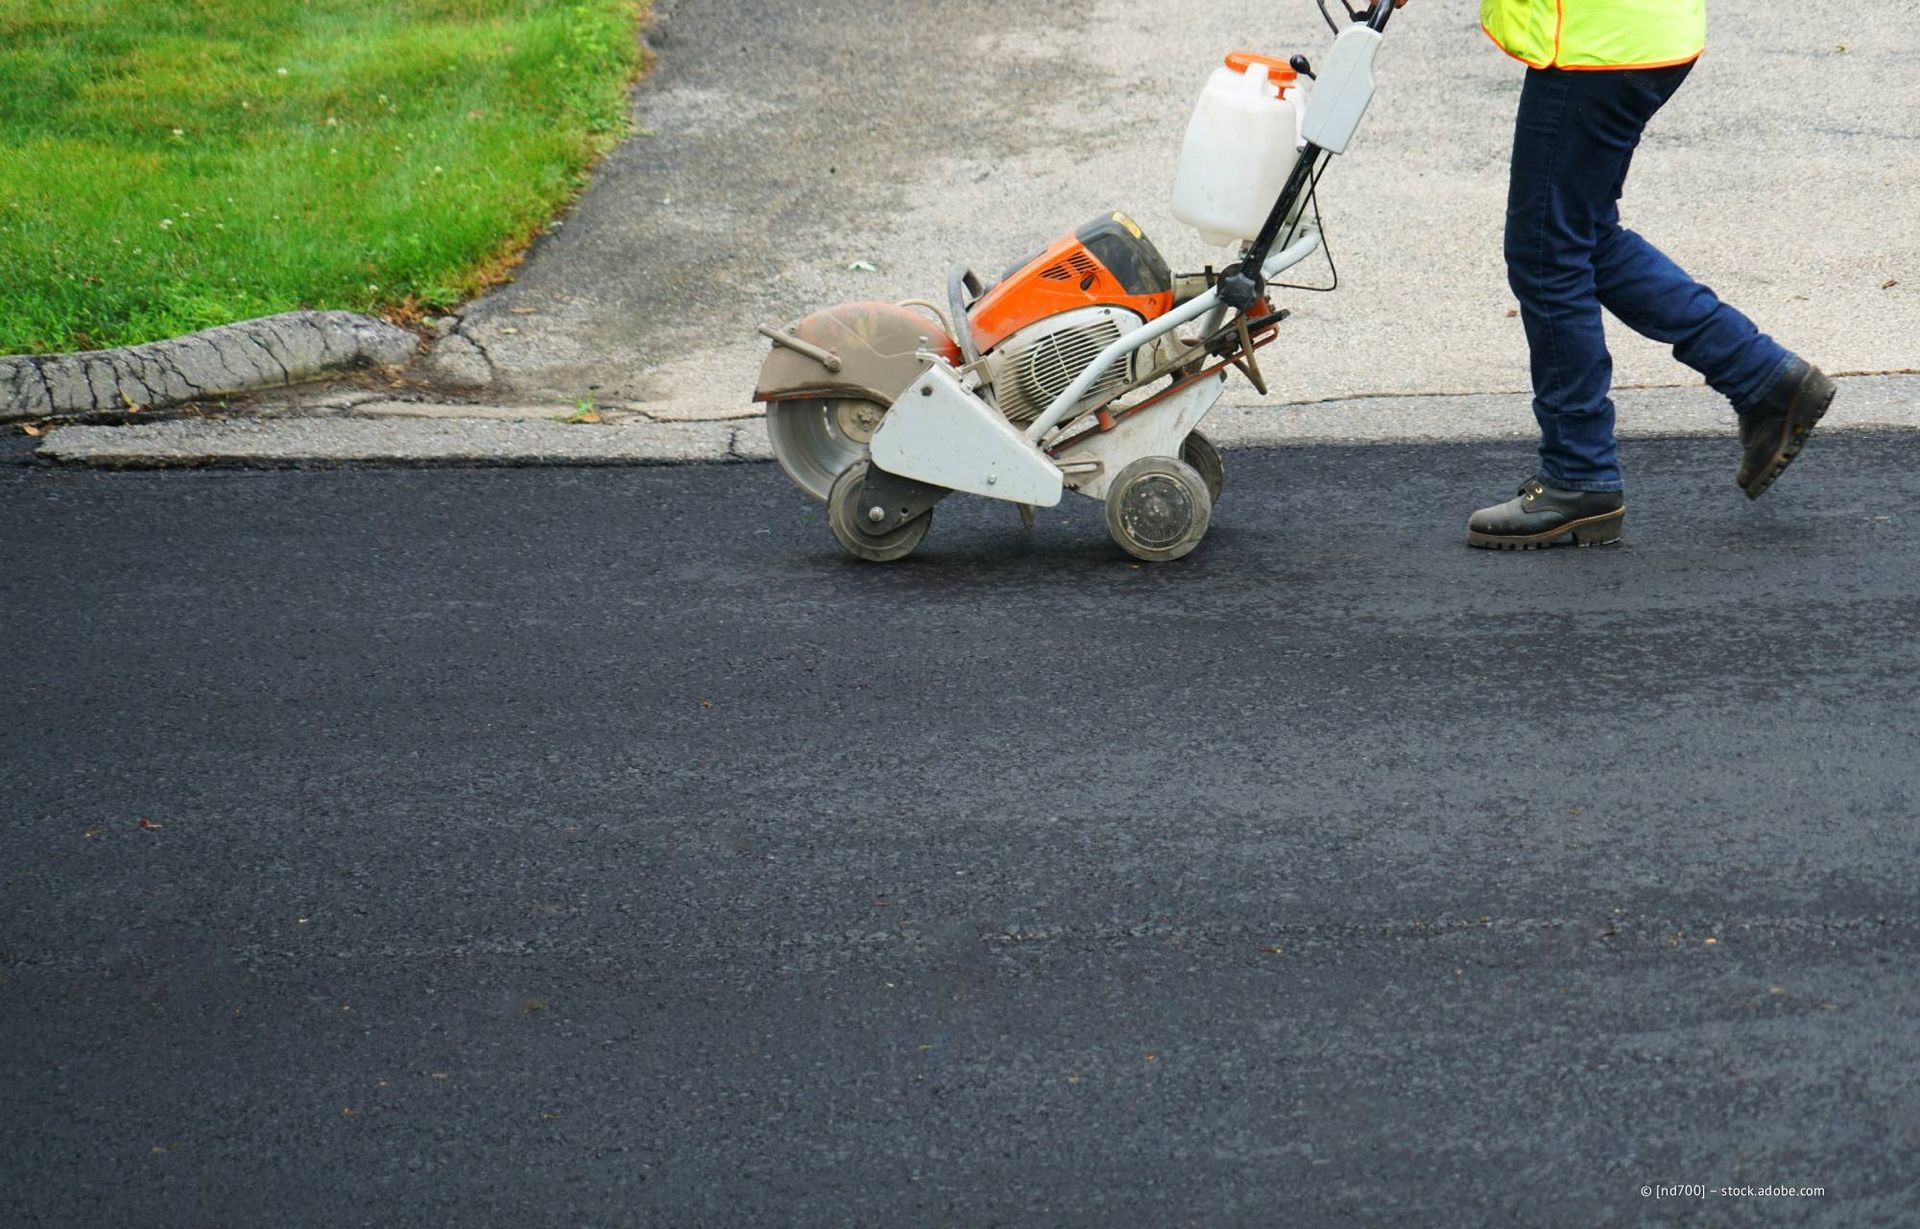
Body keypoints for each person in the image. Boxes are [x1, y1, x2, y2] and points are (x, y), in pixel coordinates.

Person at [1396, 0, 1836, 549]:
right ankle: (1764, 378)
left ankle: (1577, 475)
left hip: (1594, 40)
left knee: (1547, 253)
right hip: (1640, 32)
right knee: (1579, 234)